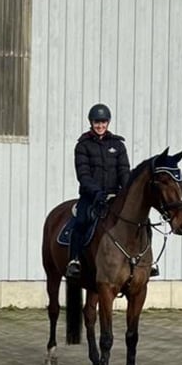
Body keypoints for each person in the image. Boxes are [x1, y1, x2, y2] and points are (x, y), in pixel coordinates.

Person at [65, 103, 130, 279]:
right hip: (91, 196)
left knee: (139, 221)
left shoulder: (118, 144)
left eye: (103, 122)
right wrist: (97, 193)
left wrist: (126, 192)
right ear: (91, 123)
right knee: (81, 221)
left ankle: (146, 263)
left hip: (114, 196)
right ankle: (75, 260)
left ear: (108, 122)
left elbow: (124, 171)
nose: (100, 126)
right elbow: (83, 174)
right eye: (96, 122)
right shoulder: (83, 145)